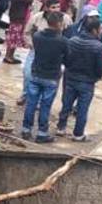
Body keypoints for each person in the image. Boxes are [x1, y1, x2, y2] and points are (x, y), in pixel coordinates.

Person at [56, 14, 102, 142]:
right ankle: (78, 134)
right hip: (87, 82)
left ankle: (61, 127)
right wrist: (96, 77)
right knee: (82, 109)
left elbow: (66, 60)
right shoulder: (99, 47)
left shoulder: (72, 41)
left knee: (66, 105)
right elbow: (101, 68)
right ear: (94, 30)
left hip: (71, 78)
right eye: (101, 29)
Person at [21, 10, 67, 143]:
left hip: (36, 74)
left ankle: (26, 129)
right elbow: (67, 58)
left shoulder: (37, 36)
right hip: (51, 77)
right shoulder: (63, 41)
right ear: (58, 24)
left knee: (31, 103)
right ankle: (42, 133)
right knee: (45, 106)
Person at [19, 0, 72, 104]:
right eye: (53, 7)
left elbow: (69, 36)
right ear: (46, 8)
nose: (57, 9)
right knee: (28, 73)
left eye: (58, 7)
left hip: (55, 53)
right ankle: (25, 95)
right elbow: (27, 32)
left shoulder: (66, 19)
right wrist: (32, 44)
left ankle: (44, 102)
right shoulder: (37, 17)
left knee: (53, 78)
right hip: (37, 50)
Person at [3, 0, 33, 64]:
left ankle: (10, 56)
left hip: (20, 19)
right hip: (16, 19)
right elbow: (28, 1)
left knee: (15, 39)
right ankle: (8, 56)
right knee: (13, 39)